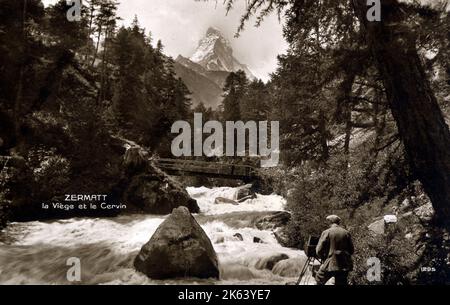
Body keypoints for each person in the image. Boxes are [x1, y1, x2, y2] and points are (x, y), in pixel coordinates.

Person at [315, 215, 354, 285]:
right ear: (338, 222)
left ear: (330, 222)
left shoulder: (327, 232)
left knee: (319, 278)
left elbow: (318, 250)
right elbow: (351, 250)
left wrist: (323, 258)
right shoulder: (346, 233)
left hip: (330, 263)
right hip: (344, 264)